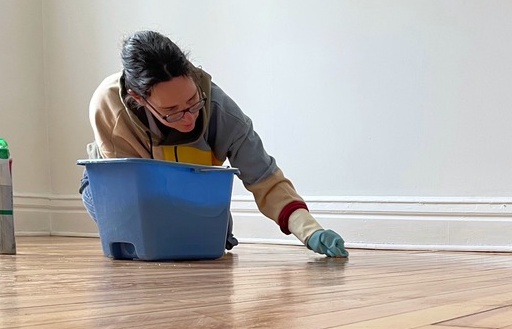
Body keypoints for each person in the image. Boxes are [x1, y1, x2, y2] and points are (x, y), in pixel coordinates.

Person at [79, 30, 348, 257]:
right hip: (118, 187)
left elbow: (264, 177)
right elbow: (129, 189)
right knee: (138, 249)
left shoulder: (220, 109)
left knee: (215, 242)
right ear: (138, 99)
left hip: (189, 187)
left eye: (192, 102)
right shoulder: (108, 106)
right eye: (172, 110)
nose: (189, 117)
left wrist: (310, 230)